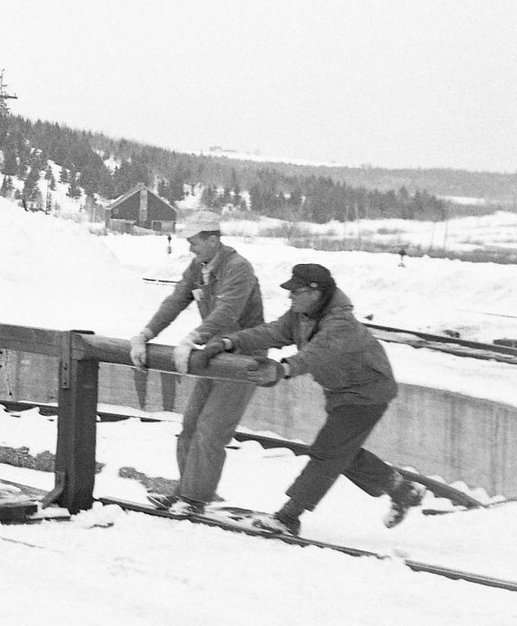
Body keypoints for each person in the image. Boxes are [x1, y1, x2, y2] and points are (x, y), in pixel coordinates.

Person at [199, 263, 425, 535]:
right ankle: (403, 490)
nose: (290, 297)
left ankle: (288, 517)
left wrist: (282, 368)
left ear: (315, 293)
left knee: (327, 453)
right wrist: (229, 342)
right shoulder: (302, 314)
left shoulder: (339, 323)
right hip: (342, 391)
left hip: (367, 392)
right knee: (342, 451)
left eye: (296, 291)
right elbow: (272, 332)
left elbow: (315, 354)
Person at [127, 211, 264, 515]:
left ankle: (195, 499)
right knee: (190, 427)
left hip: (242, 359)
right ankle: (184, 492)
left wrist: (193, 337)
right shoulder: (199, 267)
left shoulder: (238, 269)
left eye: (194, 242)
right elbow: (175, 301)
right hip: (214, 357)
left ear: (213, 240)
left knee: (211, 430)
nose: (190, 248)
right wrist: (145, 334)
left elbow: (228, 312)